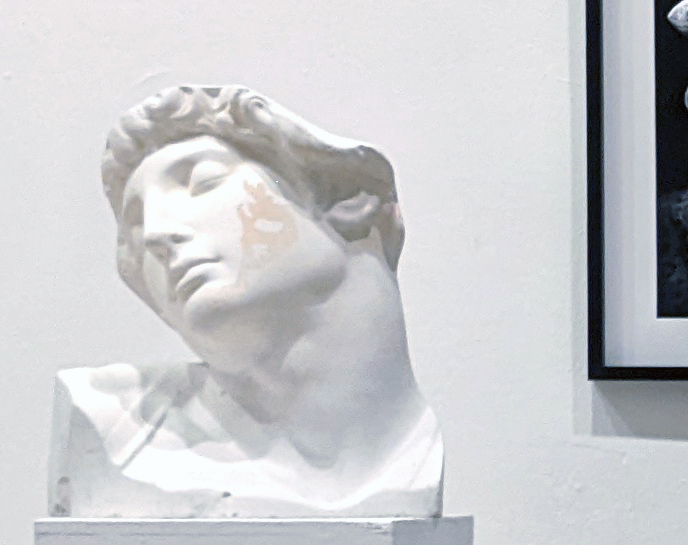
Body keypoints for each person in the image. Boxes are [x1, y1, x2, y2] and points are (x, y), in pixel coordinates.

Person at [47, 85, 441, 519]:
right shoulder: (114, 425)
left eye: (203, 181)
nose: (156, 233)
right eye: (136, 227)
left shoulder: (410, 456)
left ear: (347, 200)